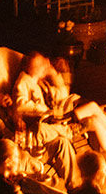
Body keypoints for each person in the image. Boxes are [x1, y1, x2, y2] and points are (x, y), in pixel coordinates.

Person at [9, 52, 81, 186]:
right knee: (42, 129)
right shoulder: (23, 82)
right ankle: (68, 130)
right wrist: (45, 110)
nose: (45, 67)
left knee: (62, 143)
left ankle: (74, 186)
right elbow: (20, 105)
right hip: (32, 137)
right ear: (33, 68)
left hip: (45, 135)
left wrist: (54, 75)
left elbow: (63, 94)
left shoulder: (40, 83)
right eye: (41, 65)